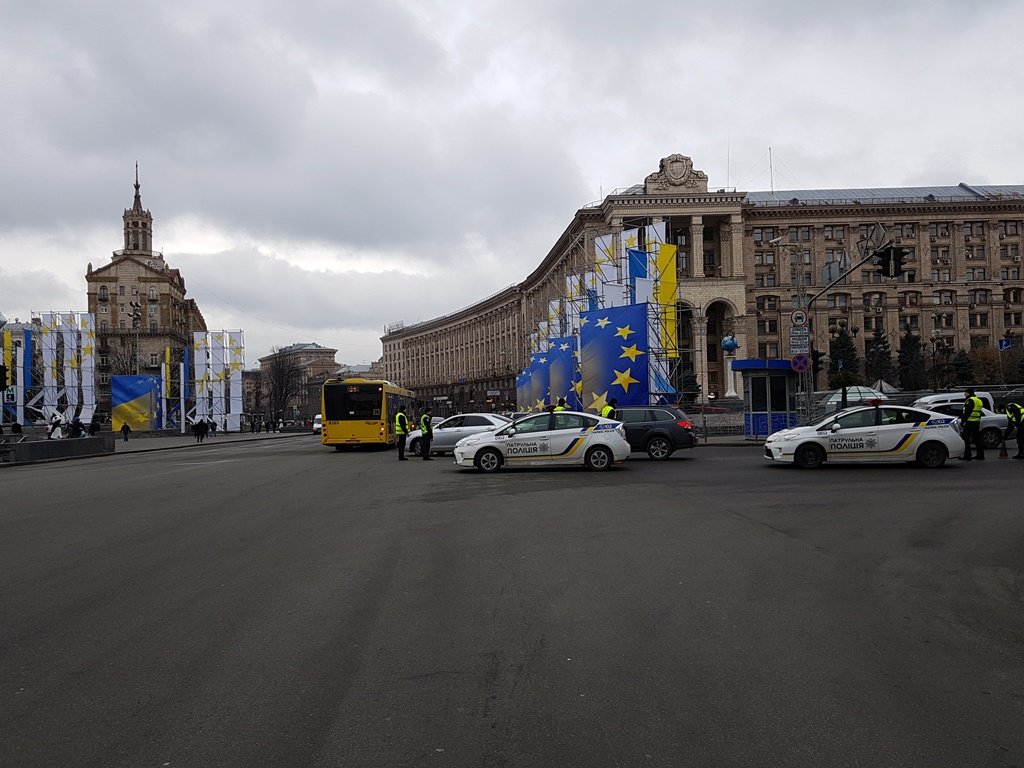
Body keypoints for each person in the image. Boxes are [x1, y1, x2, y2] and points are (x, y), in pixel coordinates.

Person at [960, 388, 985, 460]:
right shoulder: (978, 400)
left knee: (965, 438)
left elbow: (967, 412)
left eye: (965, 392)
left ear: (969, 393)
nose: (964, 394)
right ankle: (980, 455)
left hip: (969, 422)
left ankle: (967, 455)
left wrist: (963, 421)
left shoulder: (970, 400)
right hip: (976, 422)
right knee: (977, 439)